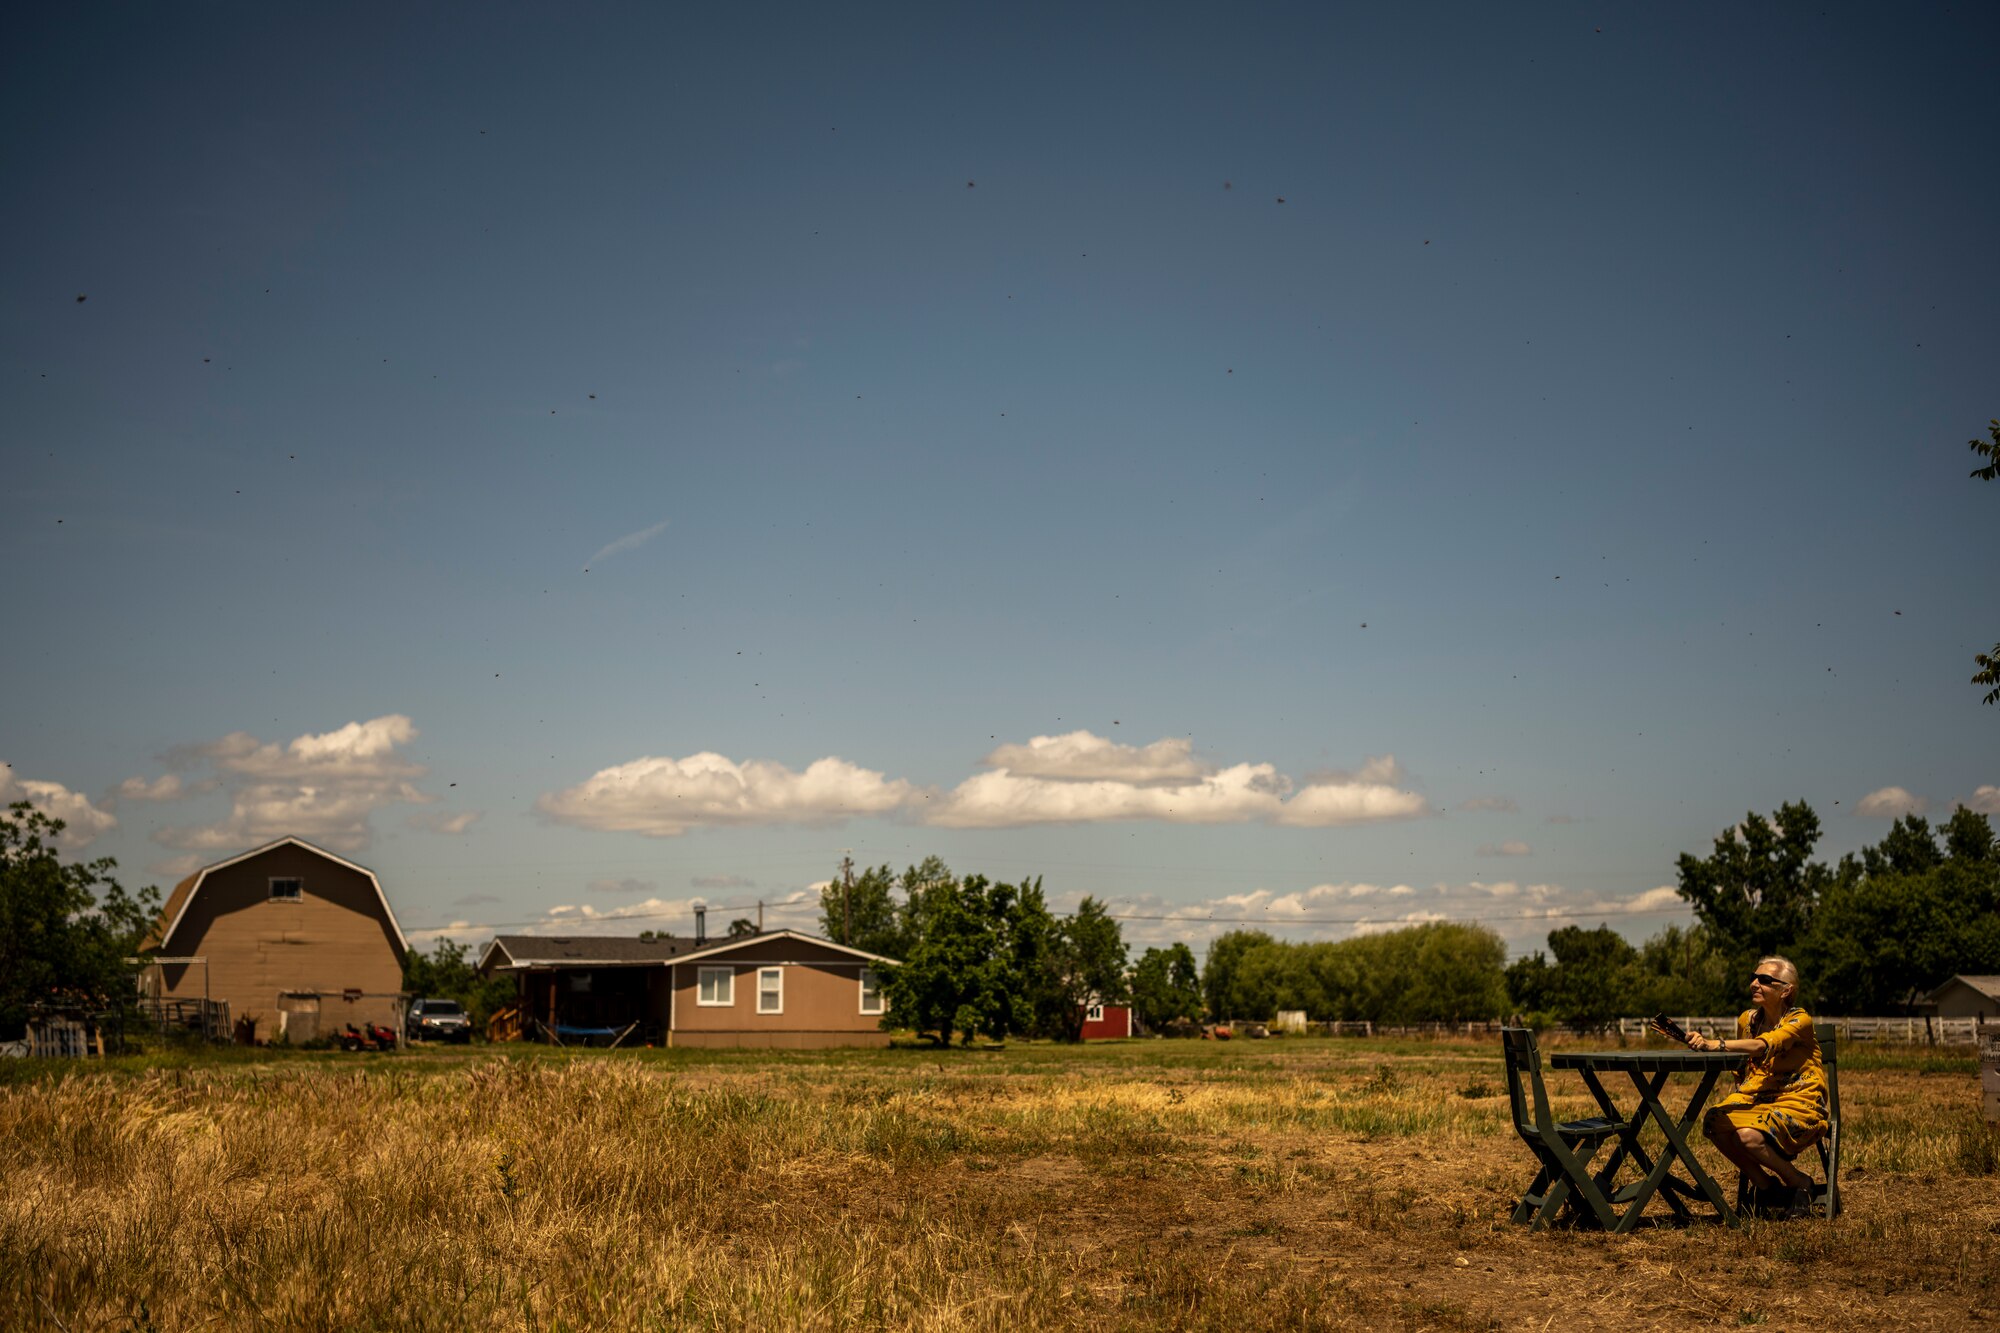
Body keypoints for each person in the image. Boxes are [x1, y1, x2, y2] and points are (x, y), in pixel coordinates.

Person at [1678, 955, 1828, 1219]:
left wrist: (1715, 1043)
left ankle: (1799, 1182)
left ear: (1786, 990)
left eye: (1765, 980)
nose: (1755, 984)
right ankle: (1767, 1187)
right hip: (1757, 1097)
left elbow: (1763, 1045)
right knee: (1715, 1121)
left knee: (1746, 1135)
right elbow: (1740, 1066)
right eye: (1754, 978)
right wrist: (1739, 1087)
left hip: (1799, 1100)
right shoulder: (1746, 1020)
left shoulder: (1799, 1020)